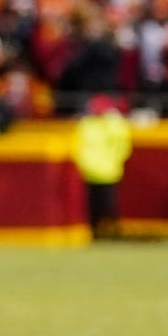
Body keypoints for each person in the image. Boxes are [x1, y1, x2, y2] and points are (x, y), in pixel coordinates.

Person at [70, 94, 132, 239]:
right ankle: (96, 232)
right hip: (90, 171)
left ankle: (113, 232)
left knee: (109, 205)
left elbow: (122, 145)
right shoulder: (87, 124)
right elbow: (78, 146)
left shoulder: (114, 124)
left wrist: (115, 161)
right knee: (94, 206)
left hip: (108, 171)